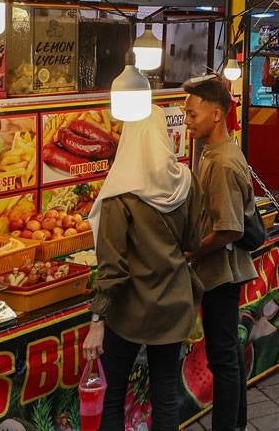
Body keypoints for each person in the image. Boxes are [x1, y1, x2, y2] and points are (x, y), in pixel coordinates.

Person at [83, 106, 204, 431]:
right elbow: (193, 240)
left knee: (113, 394)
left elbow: (113, 269)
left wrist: (97, 319)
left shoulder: (119, 194)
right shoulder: (185, 182)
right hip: (174, 305)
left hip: (130, 313)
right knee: (165, 393)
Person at [182, 76, 259, 430]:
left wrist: (192, 252)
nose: (187, 121)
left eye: (192, 114)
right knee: (227, 353)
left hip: (221, 274)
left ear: (216, 115)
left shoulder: (224, 162)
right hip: (220, 270)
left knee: (223, 357)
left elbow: (230, 228)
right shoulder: (213, 151)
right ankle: (238, 422)